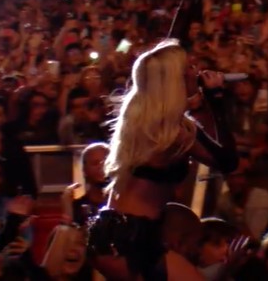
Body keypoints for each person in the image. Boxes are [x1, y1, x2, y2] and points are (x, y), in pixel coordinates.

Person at [87, 39, 238, 281]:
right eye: (188, 68)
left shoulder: (138, 119)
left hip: (112, 230)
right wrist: (215, 100)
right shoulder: (176, 132)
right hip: (131, 237)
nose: (196, 71)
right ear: (174, 80)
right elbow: (228, 160)